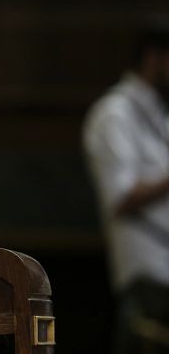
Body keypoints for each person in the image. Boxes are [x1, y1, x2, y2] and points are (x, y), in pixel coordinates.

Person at [83, 22, 169, 353]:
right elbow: (119, 196)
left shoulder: (158, 113)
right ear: (154, 57)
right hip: (148, 279)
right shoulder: (113, 114)